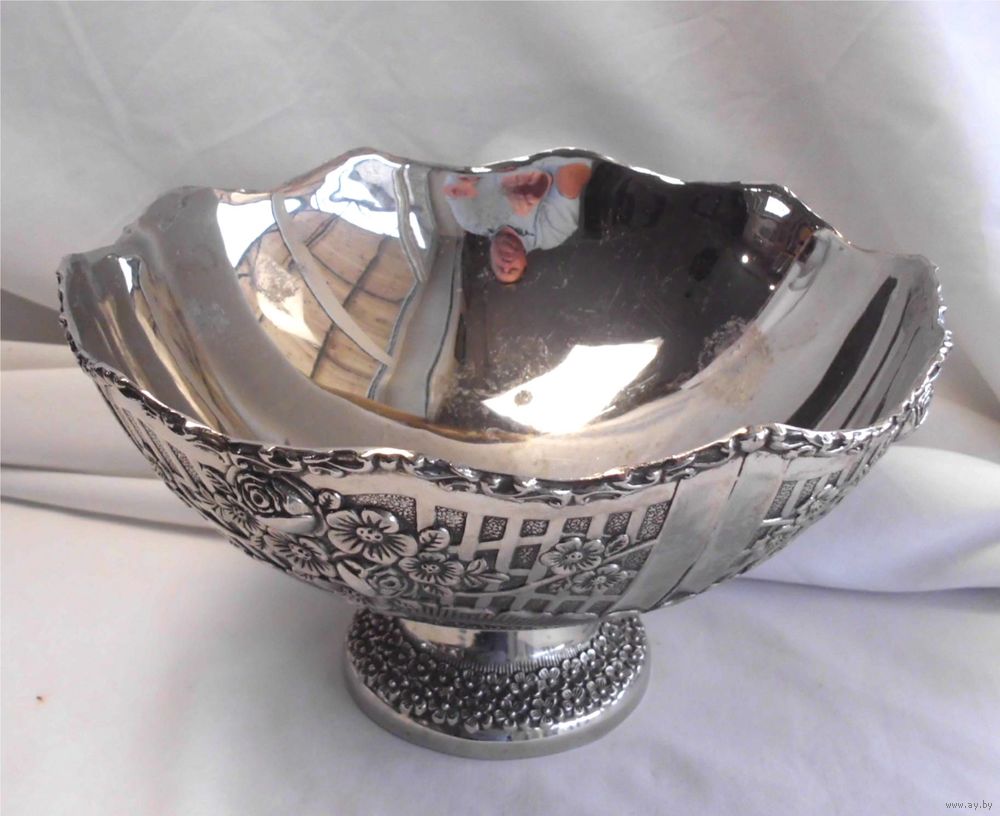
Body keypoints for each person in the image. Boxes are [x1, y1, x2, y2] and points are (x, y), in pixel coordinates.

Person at [444, 157, 593, 283]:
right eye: (513, 269)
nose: (506, 265)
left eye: (500, 268)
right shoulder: (551, 235)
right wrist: (537, 185)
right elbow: (576, 169)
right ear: (524, 263)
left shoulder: (471, 219)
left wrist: (468, 178)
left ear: (490, 258)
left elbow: (455, 177)